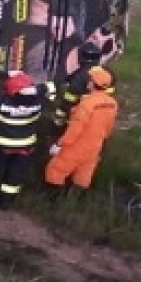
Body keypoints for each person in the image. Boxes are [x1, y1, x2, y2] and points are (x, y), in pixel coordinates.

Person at [0, 70, 56, 210]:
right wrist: (38, 89)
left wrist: (3, 75)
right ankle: (5, 203)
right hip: (26, 147)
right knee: (14, 175)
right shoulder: (38, 103)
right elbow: (51, 88)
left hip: (2, 145)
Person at [44, 65, 119, 200]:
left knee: (55, 170)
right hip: (95, 146)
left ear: (93, 83)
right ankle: (75, 200)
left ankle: (52, 201)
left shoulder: (87, 104)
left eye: (90, 79)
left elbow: (76, 128)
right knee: (83, 175)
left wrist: (60, 144)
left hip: (76, 146)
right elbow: (109, 127)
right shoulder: (112, 103)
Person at [50, 42, 116, 137]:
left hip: (81, 116)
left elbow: (68, 102)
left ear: (81, 58)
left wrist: (58, 119)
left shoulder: (79, 78)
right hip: (102, 114)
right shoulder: (108, 74)